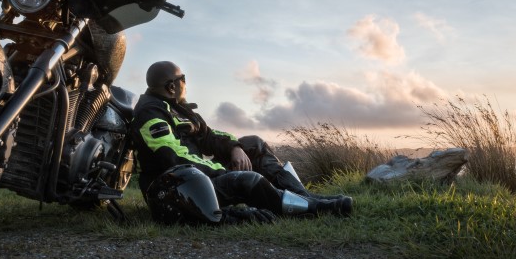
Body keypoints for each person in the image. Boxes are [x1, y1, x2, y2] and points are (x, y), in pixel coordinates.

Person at [130, 61, 353, 224]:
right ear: (171, 87)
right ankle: (312, 209)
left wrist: (235, 148)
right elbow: (172, 157)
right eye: (182, 80)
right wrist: (221, 171)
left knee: (254, 144)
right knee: (247, 179)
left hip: (202, 177)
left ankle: (306, 197)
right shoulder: (150, 114)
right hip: (178, 189)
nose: (185, 84)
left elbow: (210, 136)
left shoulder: (179, 109)